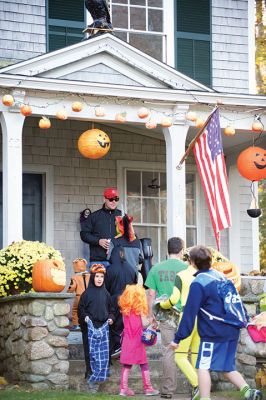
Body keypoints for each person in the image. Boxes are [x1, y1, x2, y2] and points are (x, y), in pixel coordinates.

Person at [170, 245, 262, 400]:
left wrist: (178, 338)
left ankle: (205, 398)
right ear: (211, 260)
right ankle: (248, 392)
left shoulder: (199, 283)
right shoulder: (221, 277)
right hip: (232, 330)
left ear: (192, 262)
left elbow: (189, 314)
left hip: (213, 333)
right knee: (226, 367)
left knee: (203, 366)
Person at [145, 237, 187, 399]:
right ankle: (196, 386)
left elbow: (151, 294)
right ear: (182, 250)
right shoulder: (187, 268)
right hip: (185, 314)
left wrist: (151, 315)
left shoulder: (156, 269)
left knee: (169, 351)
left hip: (166, 314)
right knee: (189, 351)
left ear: (167, 249)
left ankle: (168, 390)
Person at [160, 259, 200, 400]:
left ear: (189, 260)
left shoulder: (181, 275)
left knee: (180, 355)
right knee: (195, 354)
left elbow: (174, 298)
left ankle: (198, 384)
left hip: (187, 315)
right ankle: (199, 390)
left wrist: (163, 305)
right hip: (202, 317)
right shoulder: (205, 275)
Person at [78, 263, 115, 391]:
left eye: (101, 277)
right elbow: (81, 309)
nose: (99, 279)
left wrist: (111, 318)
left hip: (104, 328)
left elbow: (111, 310)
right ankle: (90, 375)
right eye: (97, 276)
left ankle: (103, 371)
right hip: (90, 328)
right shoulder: (86, 294)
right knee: (91, 353)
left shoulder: (106, 294)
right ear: (92, 277)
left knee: (104, 353)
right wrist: (85, 317)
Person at [118, 284, 159, 397]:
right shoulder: (139, 308)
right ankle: (148, 388)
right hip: (137, 339)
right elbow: (144, 324)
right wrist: (151, 320)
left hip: (127, 339)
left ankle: (123, 389)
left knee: (127, 364)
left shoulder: (125, 309)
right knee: (143, 363)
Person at [105, 246, 138, 359]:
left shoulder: (110, 269)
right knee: (125, 324)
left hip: (115, 300)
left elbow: (106, 288)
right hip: (129, 300)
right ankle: (125, 347)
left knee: (115, 325)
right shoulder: (131, 269)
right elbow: (135, 285)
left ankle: (117, 347)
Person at [80, 187, 121, 269]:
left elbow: (129, 236)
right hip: (98, 260)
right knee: (97, 282)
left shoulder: (121, 216)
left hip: (117, 260)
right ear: (104, 199)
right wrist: (98, 241)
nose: (113, 201)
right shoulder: (94, 216)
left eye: (116, 199)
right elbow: (84, 234)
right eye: (111, 199)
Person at [67, 258, 90, 330]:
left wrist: (68, 292)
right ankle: (88, 323)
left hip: (79, 296)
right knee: (88, 309)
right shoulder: (89, 275)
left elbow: (72, 286)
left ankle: (76, 325)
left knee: (75, 310)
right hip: (89, 296)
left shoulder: (75, 277)